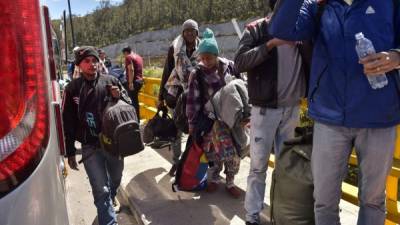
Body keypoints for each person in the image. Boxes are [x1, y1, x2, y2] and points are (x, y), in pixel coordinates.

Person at [269, 0, 400, 224]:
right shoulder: (318, 5)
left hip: (379, 114)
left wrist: (396, 57)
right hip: (329, 117)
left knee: (373, 200)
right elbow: (281, 28)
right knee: (324, 201)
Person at [234, 0, 312, 223]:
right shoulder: (257, 29)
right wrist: (270, 45)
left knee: (287, 168)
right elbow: (239, 62)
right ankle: (252, 216)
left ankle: (280, 216)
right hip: (264, 111)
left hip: (293, 110)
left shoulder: (302, 29)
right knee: (258, 167)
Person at [62, 46, 131, 225]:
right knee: (100, 188)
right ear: (79, 65)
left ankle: (110, 197)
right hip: (90, 147)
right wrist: (70, 152)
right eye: (87, 61)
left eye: (94, 60)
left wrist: (120, 96)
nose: (92, 64)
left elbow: (129, 105)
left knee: (115, 178)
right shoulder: (72, 89)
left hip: (114, 145)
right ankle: (109, 221)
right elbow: (67, 122)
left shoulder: (111, 81)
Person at [186, 28, 242, 198]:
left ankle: (230, 181)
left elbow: (242, 88)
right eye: (202, 58)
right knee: (213, 152)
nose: (205, 61)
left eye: (208, 57)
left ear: (216, 54)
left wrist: (247, 113)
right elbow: (192, 101)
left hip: (232, 119)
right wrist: (191, 124)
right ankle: (215, 178)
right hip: (210, 120)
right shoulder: (197, 73)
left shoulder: (230, 67)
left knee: (234, 152)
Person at [158, 19, 200, 176]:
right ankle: (176, 162)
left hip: (195, 96)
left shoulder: (203, 48)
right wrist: (160, 97)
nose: (189, 33)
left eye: (192, 30)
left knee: (195, 130)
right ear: (183, 32)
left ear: (197, 32)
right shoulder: (174, 48)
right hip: (175, 96)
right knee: (176, 130)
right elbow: (167, 71)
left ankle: (190, 162)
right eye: (186, 30)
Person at [122, 46, 143, 120]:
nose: (124, 56)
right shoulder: (139, 57)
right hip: (140, 81)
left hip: (133, 82)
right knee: (135, 101)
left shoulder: (128, 57)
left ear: (125, 52)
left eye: (124, 54)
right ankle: (137, 119)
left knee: (132, 102)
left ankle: (135, 120)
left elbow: (131, 69)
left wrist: (130, 83)